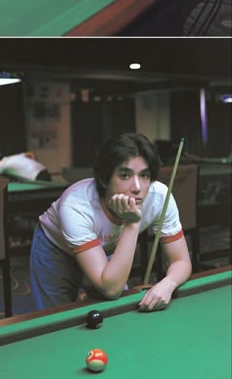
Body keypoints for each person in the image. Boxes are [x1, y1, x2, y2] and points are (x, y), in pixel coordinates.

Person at [30, 132, 192, 311]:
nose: (137, 188)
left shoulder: (160, 197)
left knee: (115, 311)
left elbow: (181, 261)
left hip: (107, 246)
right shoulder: (76, 205)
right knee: (56, 319)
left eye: (145, 175)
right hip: (56, 250)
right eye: (125, 175)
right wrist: (132, 224)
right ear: (103, 179)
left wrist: (168, 283)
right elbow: (111, 289)